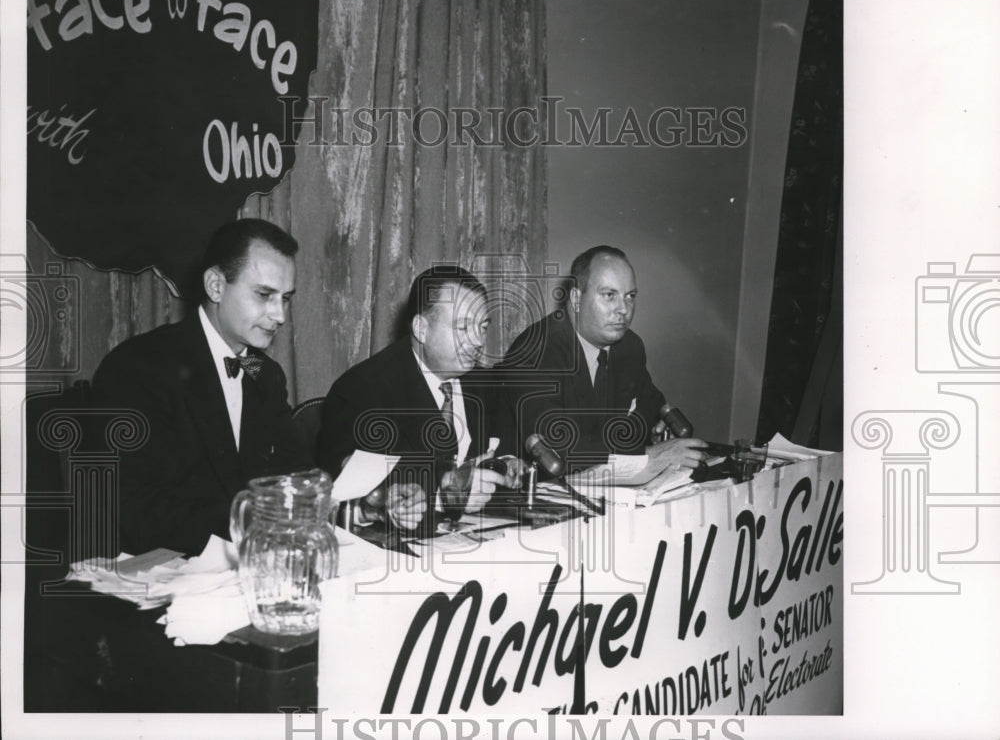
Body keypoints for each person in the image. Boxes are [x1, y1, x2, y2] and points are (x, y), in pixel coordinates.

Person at [92, 219, 309, 556]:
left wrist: (357, 501)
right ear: (215, 286)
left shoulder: (263, 373)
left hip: (242, 566)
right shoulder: (138, 366)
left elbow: (295, 470)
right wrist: (253, 524)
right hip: (160, 570)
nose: (279, 315)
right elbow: (135, 505)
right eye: (264, 295)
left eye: (286, 299)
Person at [317, 265, 517, 536]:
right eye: (463, 327)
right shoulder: (364, 388)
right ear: (421, 329)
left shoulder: (482, 382)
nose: (478, 340)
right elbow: (347, 491)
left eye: (482, 327)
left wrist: (508, 465)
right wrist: (444, 494)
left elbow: (505, 448)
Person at [495, 245, 707, 474]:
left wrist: (653, 431)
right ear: (576, 299)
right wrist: (647, 454)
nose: (624, 309)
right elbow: (559, 450)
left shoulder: (629, 346)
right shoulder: (534, 350)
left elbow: (653, 405)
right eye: (609, 295)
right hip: (533, 491)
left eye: (630, 296)